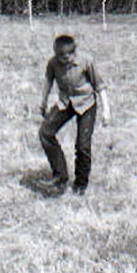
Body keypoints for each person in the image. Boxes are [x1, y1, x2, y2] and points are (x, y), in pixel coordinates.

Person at [38, 35, 111, 195]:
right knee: (45, 132)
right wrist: (43, 102)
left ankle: (80, 185)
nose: (62, 61)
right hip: (66, 102)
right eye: (58, 57)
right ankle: (60, 176)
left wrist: (106, 110)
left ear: (74, 53)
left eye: (66, 57)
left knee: (82, 146)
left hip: (86, 104)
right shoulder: (53, 63)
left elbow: (100, 86)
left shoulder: (86, 61)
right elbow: (48, 80)